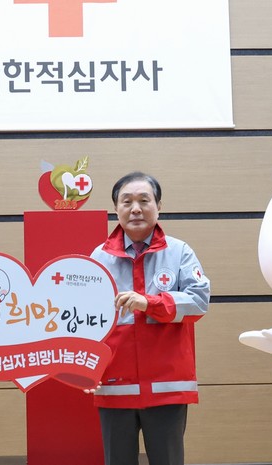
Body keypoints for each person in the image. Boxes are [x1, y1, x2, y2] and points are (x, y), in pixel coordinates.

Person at [90, 171, 210, 465]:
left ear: (159, 207)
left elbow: (198, 302)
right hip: (114, 384)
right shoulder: (97, 258)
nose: (136, 209)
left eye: (144, 200)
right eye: (127, 201)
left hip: (167, 386)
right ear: (116, 208)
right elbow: (84, 320)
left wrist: (150, 303)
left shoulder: (179, 252)